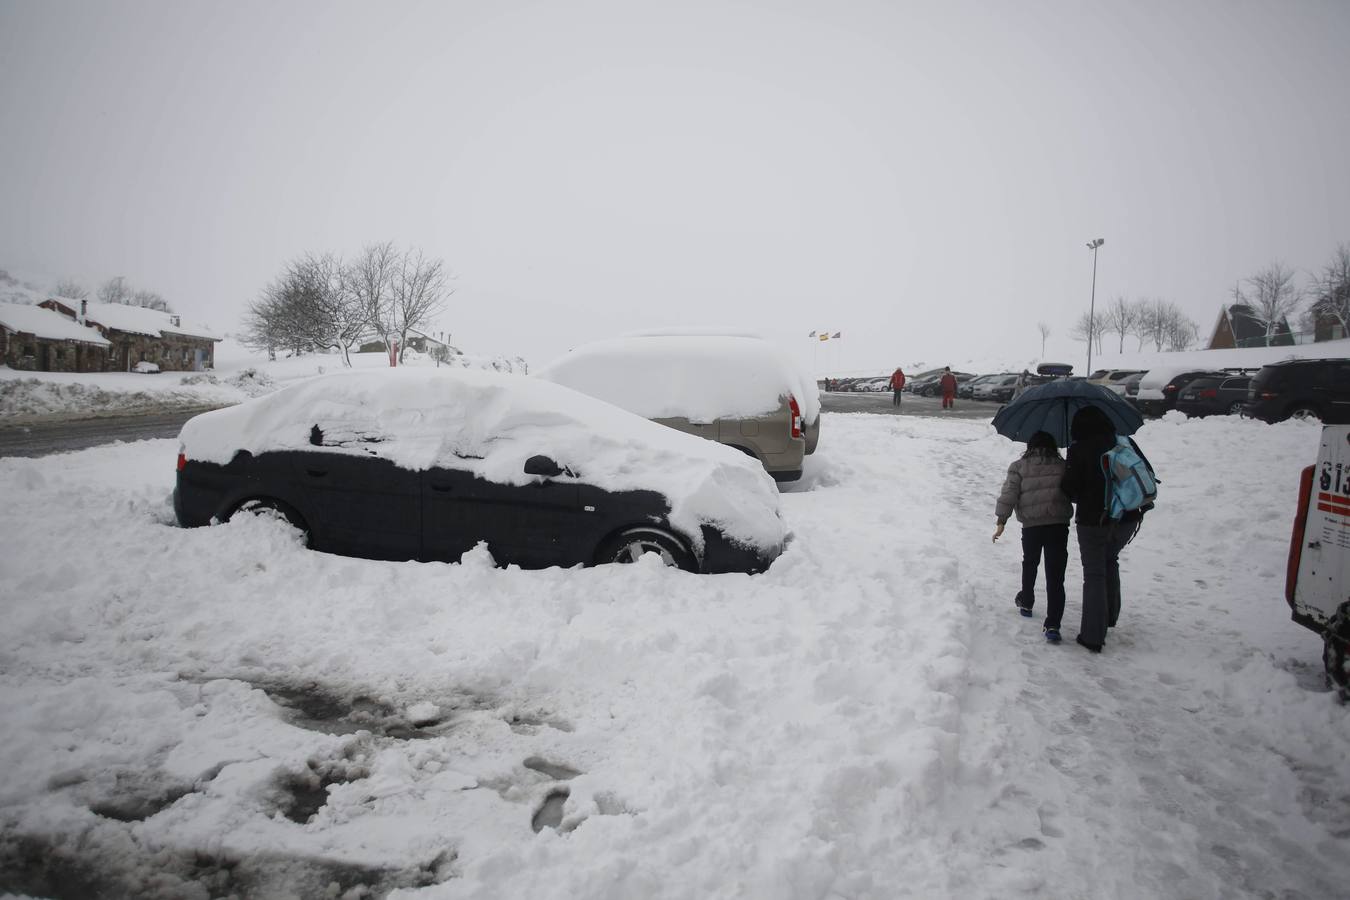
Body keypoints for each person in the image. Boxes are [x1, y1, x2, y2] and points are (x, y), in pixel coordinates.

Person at [1060, 406, 1146, 653]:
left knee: (1094, 573)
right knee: (1110, 559)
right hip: (1129, 518)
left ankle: (1093, 636)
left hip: (1094, 520)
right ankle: (1109, 616)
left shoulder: (1079, 449)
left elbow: (1070, 489)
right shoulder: (1124, 443)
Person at [993, 431, 1073, 643]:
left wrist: (1002, 520)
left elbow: (1009, 494)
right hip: (1058, 525)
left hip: (1032, 526)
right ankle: (1053, 624)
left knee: (1030, 562)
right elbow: (1073, 492)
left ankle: (1027, 601)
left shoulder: (1019, 466)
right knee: (1056, 575)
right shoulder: (1063, 465)